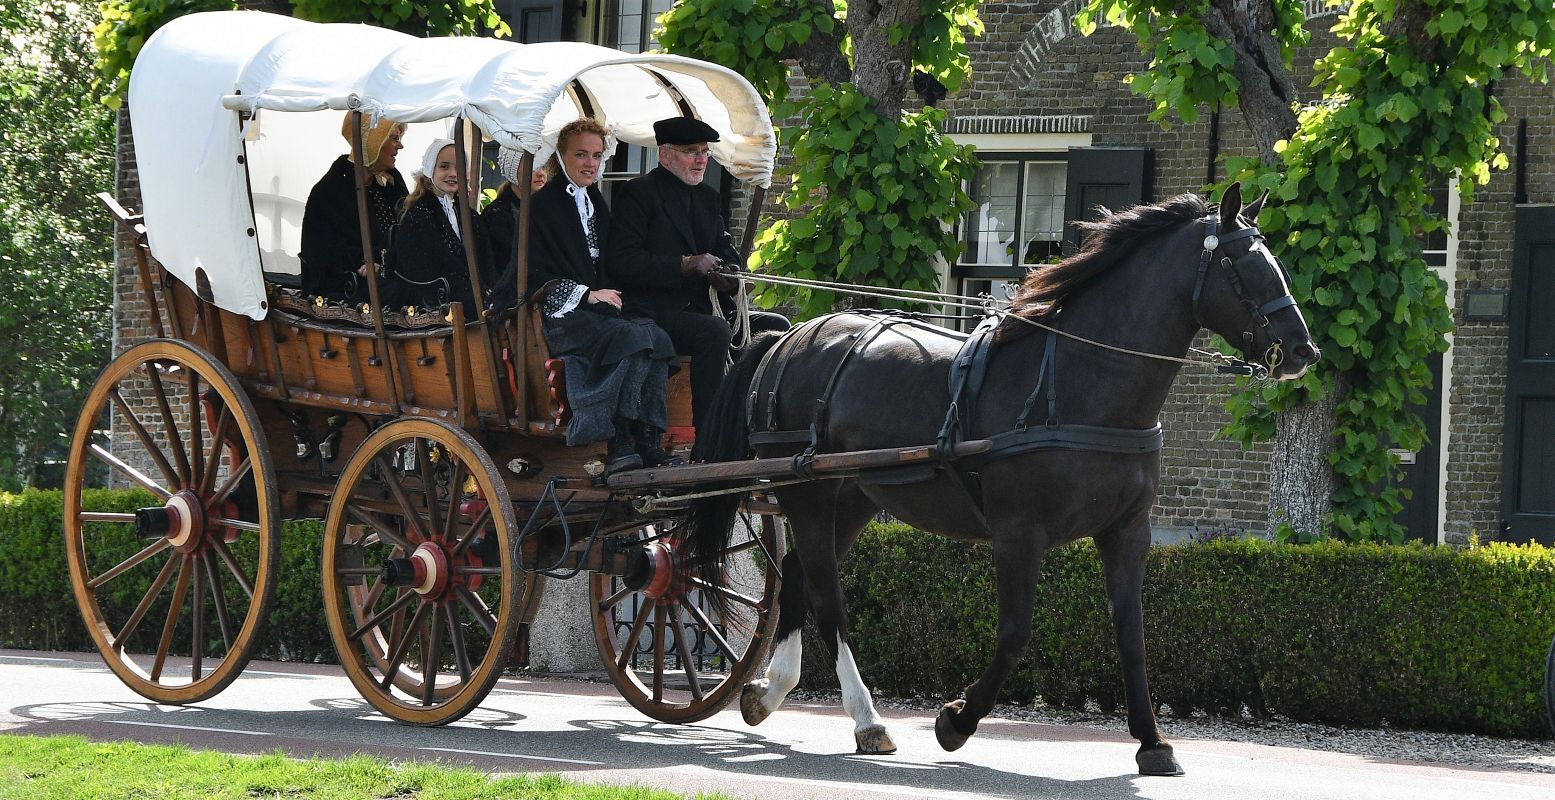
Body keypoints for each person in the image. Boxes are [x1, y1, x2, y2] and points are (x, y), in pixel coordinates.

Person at [608, 116, 789, 431]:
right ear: (665, 155)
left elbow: (724, 247)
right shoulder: (638, 193)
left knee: (777, 327)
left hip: (705, 306)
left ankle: (759, 422)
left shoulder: (707, 197)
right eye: (691, 151)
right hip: (655, 310)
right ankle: (709, 433)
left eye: (705, 152)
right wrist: (684, 264)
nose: (702, 159)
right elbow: (623, 261)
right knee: (714, 332)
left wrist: (732, 274)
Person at [527, 118, 679, 473]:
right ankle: (620, 437)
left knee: (655, 336)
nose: (590, 163)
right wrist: (587, 295)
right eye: (581, 154)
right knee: (630, 337)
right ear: (561, 156)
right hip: (559, 315)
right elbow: (533, 275)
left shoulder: (595, 201)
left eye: (596, 155)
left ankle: (647, 435)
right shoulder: (543, 207)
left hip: (597, 313)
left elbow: (610, 261)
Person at [300, 113, 408, 303]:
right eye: (394, 138)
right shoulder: (331, 189)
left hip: (393, 272)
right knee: (399, 293)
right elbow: (322, 247)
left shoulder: (392, 180)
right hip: (344, 283)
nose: (400, 146)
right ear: (372, 141)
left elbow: (406, 224)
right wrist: (363, 261)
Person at [382, 138, 487, 311]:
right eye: (444, 167)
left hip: (466, 294)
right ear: (431, 170)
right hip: (432, 299)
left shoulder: (470, 216)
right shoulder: (419, 214)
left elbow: (484, 258)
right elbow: (427, 266)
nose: (453, 173)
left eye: (458, 166)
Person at [484, 147, 550, 310]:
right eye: (532, 165)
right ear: (512, 170)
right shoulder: (497, 215)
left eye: (542, 166)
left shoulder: (547, 210)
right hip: (515, 304)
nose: (540, 173)